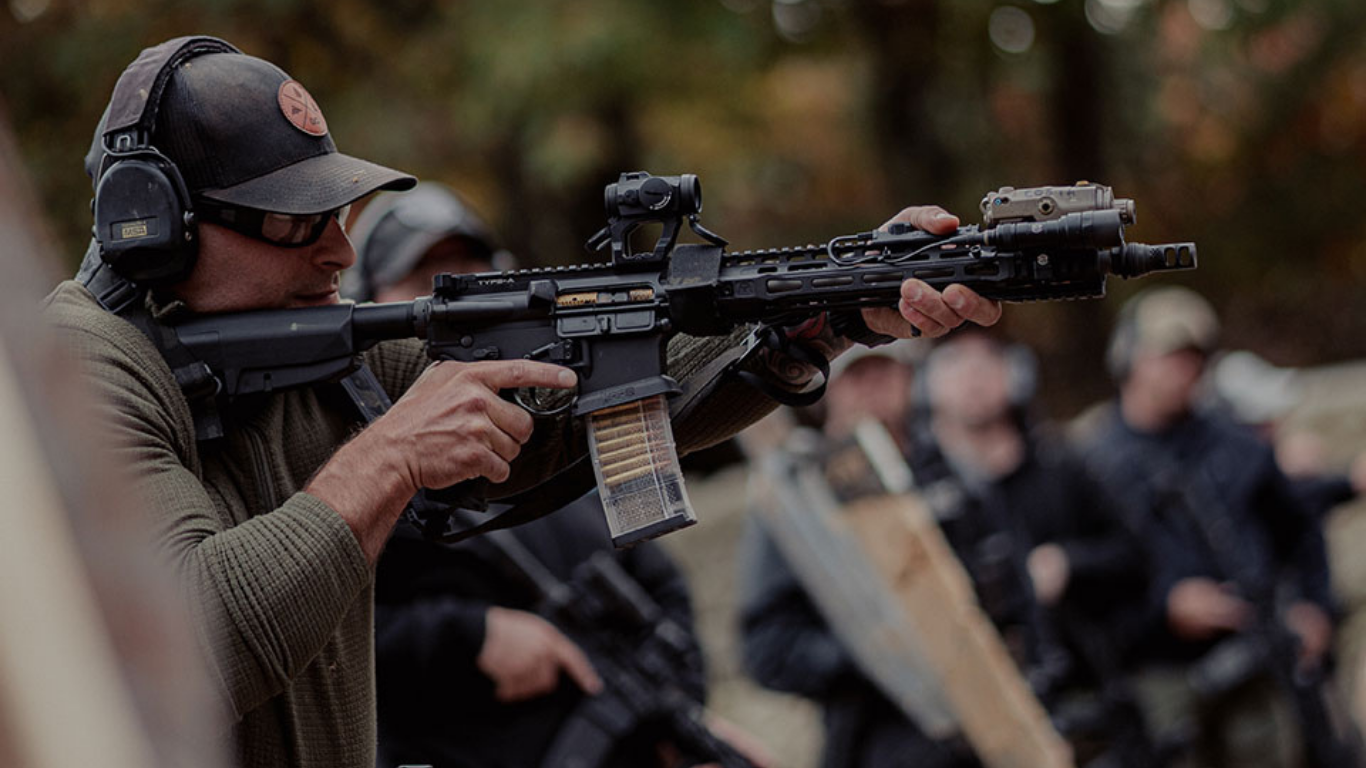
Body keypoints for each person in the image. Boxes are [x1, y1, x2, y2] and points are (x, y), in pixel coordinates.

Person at [44, 36, 998, 768]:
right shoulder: (78, 368)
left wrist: (823, 312)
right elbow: (189, 642)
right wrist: (390, 458)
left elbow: (582, 396)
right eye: (297, 224)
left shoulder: (301, 341)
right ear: (153, 224)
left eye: (335, 218)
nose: (337, 254)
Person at [347, 184, 752, 767]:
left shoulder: (559, 433)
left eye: (472, 271)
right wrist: (469, 637)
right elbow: (312, 635)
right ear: (370, 303)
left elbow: (659, 582)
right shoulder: (357, 456)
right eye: (427, 282)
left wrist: (679, 714)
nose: (458, 297)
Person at [1079, 286, 1339, 768]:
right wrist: (1166, 605)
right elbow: (1090, 573)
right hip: (1156, 671)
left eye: (1193, 359)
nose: (1181, 372)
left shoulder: (1236, 446)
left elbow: (1299, 529)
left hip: (1255, 660)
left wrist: (1313, 607)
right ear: (1130, 357)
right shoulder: (1092, 461)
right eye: (1168, 356)